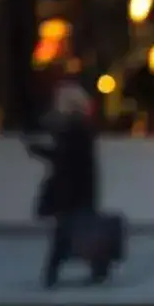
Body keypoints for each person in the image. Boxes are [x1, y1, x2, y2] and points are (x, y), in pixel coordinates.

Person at [26, 82, 107, 287]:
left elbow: (65, 158)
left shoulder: (74, 127)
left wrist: (39, 151)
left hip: (71, 188)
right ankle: (97, 267)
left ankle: (53, 272)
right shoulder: (81, 125)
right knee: (78, 228)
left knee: (65, 231)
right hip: (80, 187)